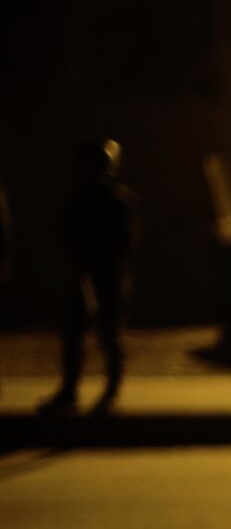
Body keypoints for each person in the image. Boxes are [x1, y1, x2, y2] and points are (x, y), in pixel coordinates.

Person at [41, 139, 138, 416]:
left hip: (107, 275)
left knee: (108, 334)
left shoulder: (118, 201)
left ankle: (109, 391)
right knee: (74, 333)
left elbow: (125, 243)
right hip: (83, 273)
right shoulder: (79, 198)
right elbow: (62, 233)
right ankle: (71, 390)